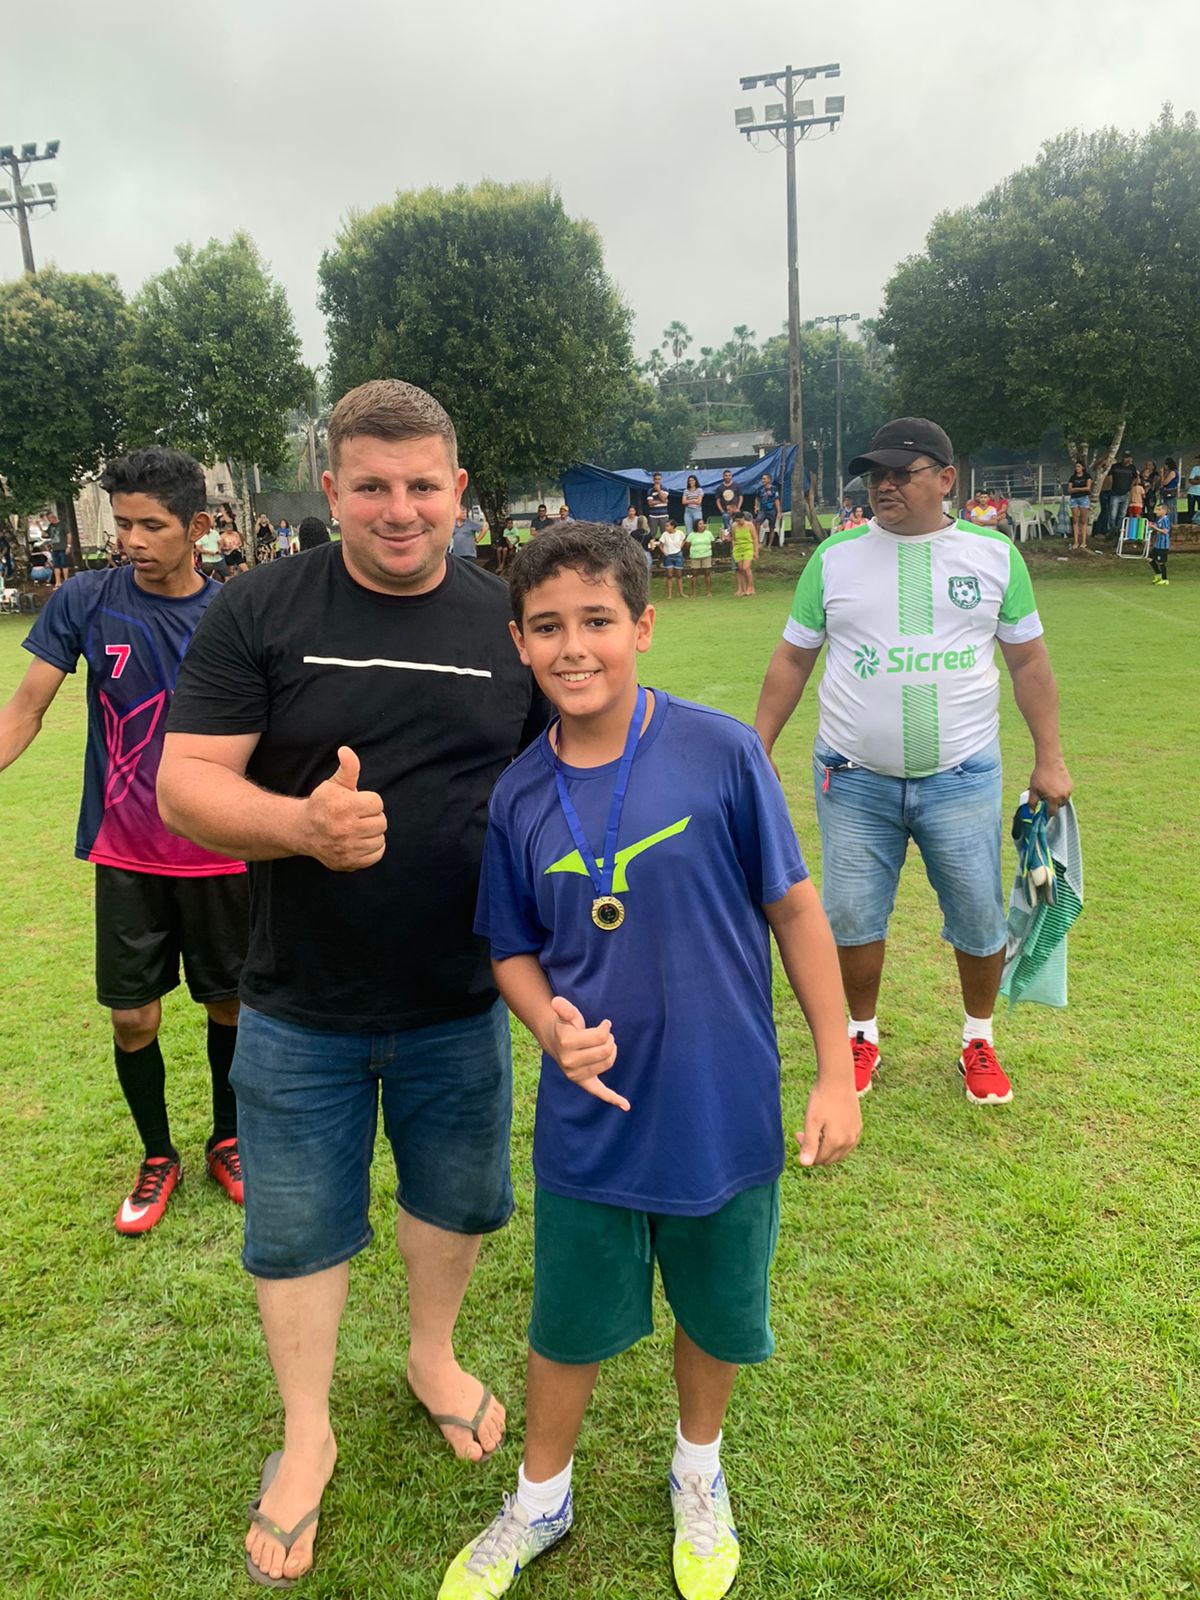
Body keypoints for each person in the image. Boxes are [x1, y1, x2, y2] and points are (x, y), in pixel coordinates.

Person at [157, 378, 547, 1588]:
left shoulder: (507, 622)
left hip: (461, 994)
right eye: (371, 485)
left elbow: (567, 777)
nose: (399, 509)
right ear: (330, 489)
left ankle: (433, 1355)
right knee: (295, 1229)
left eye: (422, 485)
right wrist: (302, 827)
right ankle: (307, 1430)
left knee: (455, 1201)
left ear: (459, 491)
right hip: (298, 999)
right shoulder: (260, 608)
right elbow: (184, 783)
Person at [438, 523, 858, 1600]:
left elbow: (795, 909)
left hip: (722, 1105)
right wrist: (550, 1030)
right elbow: (510, 947)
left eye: (597, 621)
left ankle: (698, 1472)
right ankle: (541, 1497)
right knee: (567, 1320)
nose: (573, 647)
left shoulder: (721, 753)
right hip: (594, 1112)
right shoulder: (520, 794)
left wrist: (834, 1070)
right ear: (519, 643)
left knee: (715, 1307)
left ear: (644, 625)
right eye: (547, 627)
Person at [754, 417, 1072, 1108]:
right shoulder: (833, 558)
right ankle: (860, 1035)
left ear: (946, 479)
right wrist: (760, 745)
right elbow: (793, 658)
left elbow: (1028, 662)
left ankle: (978, 1039)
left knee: (978, 917)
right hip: (852, 780)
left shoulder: (994, 556)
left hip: (962, 777)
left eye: (902, 473)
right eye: (877, 475)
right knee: (852, 918)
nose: (885, 485)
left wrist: (1050, 757)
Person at [0, 447, 248, 1234]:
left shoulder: (234, 614)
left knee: (230, 1004)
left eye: (152, 526)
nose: (131, 541)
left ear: (197, 527)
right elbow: (27, 707)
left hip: (220, 850)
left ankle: (229, 1139)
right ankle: (157, 1154)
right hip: (126, 851)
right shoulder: (86, 600)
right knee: (133, 1019)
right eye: (123, 523)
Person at [652, 520, 687, 599]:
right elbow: (660, 544)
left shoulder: (680, 533)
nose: (666, 527)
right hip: (668, 556)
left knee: (679, 575)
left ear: (673, 526)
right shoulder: (664, 534)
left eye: (667, 526)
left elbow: (684, 540)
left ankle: (681, 593)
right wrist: (664, 552)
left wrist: (680, 547)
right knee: (669, 575)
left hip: (678, 555)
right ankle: (669, 594)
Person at [1107, 451, 1137, 535]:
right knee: (1113, 514)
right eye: (1124, 457)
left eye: (1127, 457)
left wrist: (1131, 485)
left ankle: (1120, 531)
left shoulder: (1132, 468)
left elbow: (1135, 477)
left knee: (1122, 514)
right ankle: (1112, 530)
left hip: (1125, 493)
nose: (1125, 459)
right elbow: (1107, 475)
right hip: (1115, 493)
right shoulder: (1115, 466)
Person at [685, 511, 714, 597]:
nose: (702, 525)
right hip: (695, 556)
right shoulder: (692, 535)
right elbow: (687, 545)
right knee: (694, 573)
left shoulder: (708, 533)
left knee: (707, 573)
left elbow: (712, 543)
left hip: (706, 555)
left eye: (703, 523)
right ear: (696, 525)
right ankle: (694, 592)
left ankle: (709, 591)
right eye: (700, 524)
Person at [1066, 460, 1092, 552]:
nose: (1077, 468)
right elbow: (1069, 489)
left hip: (1083, 499)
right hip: (1074, 499)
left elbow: (1088, 488)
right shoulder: (1072, 477)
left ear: (1083, 468)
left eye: (1079, 466)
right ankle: (1076, 541)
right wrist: (1079, 489)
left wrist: (1076, 489)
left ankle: (1084, 541)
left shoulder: (1087, 476)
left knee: (1083, 520)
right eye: (1076, 467)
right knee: (1075, 520)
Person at [730, 508, 758, 596]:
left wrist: (756, 551)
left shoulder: (750, 525)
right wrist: (734, 547)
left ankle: (750, 587)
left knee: (746, 567)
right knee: (741, 569)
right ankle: (744, 588)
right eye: (736, 521)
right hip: (738, 548)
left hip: (748, 547)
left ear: (743, 518)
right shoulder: (734, 526)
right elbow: (733, 538)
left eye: (739, 520)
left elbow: (755, 538)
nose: (738, 522)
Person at [754, 472, 781, 548]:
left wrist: (779, 512)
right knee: (757, 521)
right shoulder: (760, 489)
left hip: (771, 510)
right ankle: (757, 541)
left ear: (769, 480)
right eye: (762, 479)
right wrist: (756, 506)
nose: (763, 480)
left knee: (772, 528)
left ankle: (769, 545)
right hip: (763, 510)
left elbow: (776, 500)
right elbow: (757, 498)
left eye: (764, 479)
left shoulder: (774, 489)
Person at [47, 511, 70, 587]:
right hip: (55, 548)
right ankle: (58, 582)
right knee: (56, 565)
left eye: (49, 519)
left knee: (64, 564)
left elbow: (69, 535)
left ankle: (66, 580)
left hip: (62, 547)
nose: (49, 521)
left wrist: (68, 546)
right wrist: (39, 527)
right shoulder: (50, 526)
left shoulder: (63, 524)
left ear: (53, 517)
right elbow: (46, 534)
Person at [1150, 504, 1171, 585]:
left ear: (1164, 511)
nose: (1156, 512)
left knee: (1161, 562)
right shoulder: (1159, 520)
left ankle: (1165, 579)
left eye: (1159, 510)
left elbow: (1165, 531)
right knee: (1149, 558)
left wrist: (1155, 528)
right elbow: (1156, 527)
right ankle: (1158, 574)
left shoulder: (1165, 519)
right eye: (1156, 509)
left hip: (1163, 545)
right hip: (1157, 544)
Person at [646, 473, 670, 539]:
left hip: (663, 515)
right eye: (656, 479)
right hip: (653, 516)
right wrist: (662, 501)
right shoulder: (650, 490)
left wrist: (659, 490)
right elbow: (650, 503)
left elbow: (663, 498)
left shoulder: (665, 489)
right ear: (653, 480)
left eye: (659, 479)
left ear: (661, 480)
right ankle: (651, 545)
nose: (657, 481)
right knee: (652, 534)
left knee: (665, 534)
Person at [1158, 457, 1179, 529]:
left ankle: (1171, 524)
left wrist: (1162, 475)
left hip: (1170, 493)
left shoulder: (1173, 472)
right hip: (1167, 493)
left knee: (1170, 508)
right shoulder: (1172, 472)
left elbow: (1164, 483)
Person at [1188, 457, 1200, 523]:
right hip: (1193, 492)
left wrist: (1197, 478)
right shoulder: (1195, 468)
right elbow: (1191, 480)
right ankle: (1190, 523)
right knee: (1191, 510)